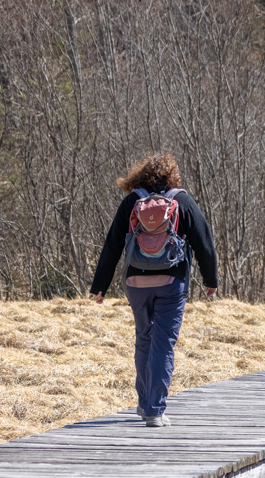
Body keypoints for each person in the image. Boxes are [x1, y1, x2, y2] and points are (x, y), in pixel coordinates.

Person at [90, 153, 218, 427]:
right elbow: (204, 241)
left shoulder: (132, 202)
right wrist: (211, 281)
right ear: (172, 176)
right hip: (172, 283)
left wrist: (100, 285)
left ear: (141, 176)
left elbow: (113, 244)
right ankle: (155, 410)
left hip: (136, 284)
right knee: (163, 344)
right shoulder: (181, 201)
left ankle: (144, 403)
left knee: (144, 339)